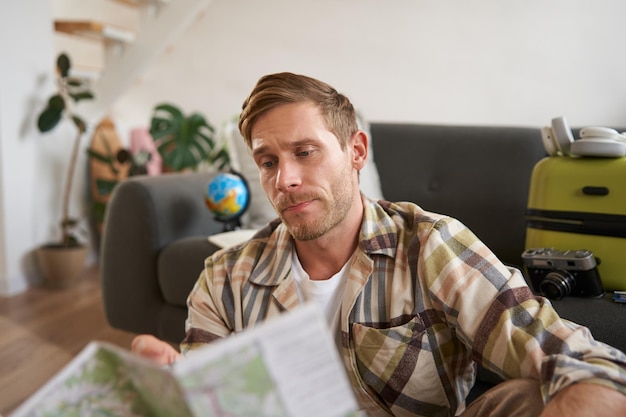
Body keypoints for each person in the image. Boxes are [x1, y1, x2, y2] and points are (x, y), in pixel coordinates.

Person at [132, 72, 626, 416]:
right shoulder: (223, 277)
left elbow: (587, 361)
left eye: (305, 152)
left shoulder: (431, 244)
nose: (285, 179)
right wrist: (172, 389)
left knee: (535, 395)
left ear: (356, 152)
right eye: (267, 162)